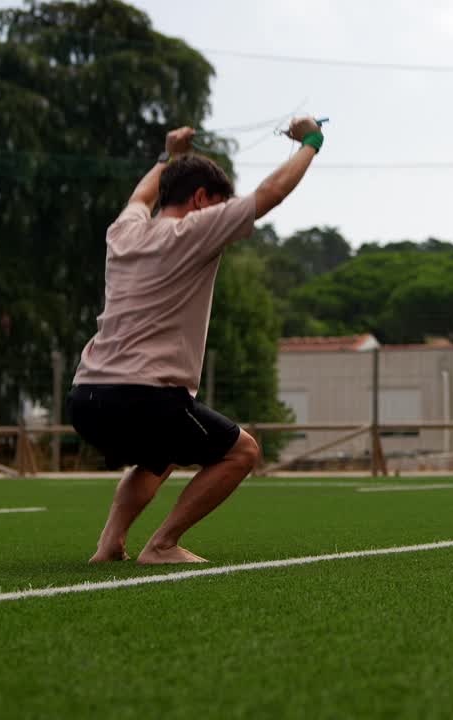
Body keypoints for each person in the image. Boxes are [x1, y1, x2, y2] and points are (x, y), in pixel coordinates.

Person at [68, 116, 325, 564]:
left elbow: (140, 196)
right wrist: (311, 141)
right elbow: (272, 194)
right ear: (203, 199)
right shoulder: (195, 230)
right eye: (216, 204)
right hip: (143, 396)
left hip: (86, 399)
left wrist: (169, 154)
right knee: (242, 451)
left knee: (161, 452)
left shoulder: (123, 231)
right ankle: (162, 545)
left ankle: (109, 545)